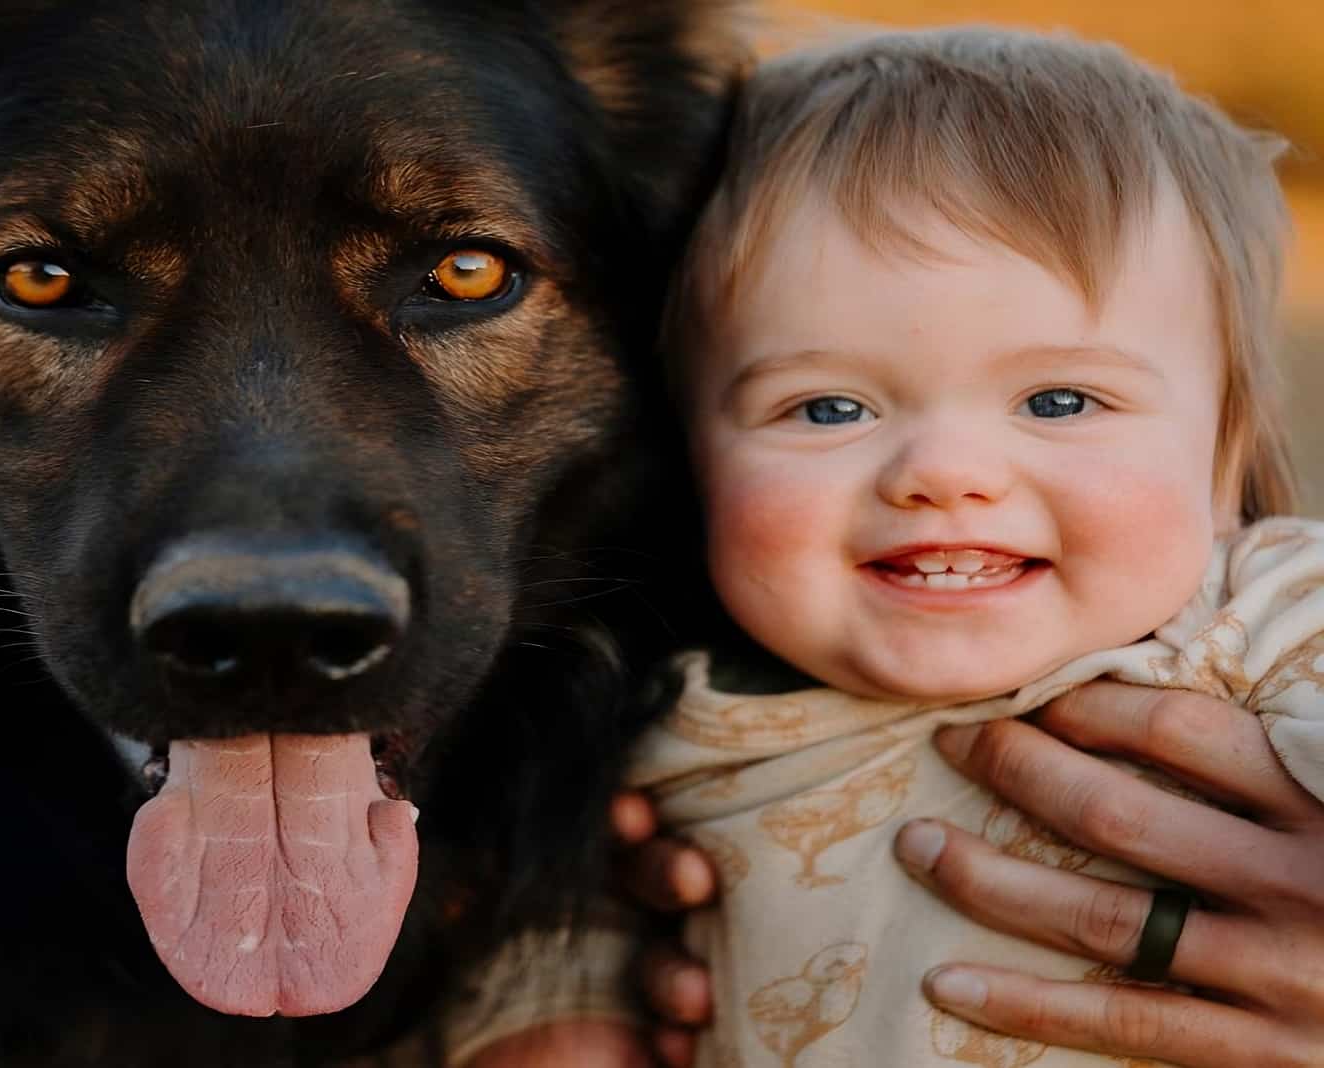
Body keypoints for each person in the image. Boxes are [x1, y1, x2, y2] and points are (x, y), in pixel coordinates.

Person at [456, 24, 1324, 1068]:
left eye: (1058, 399)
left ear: (1225, 456)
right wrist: (562, 1016)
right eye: (826, 409)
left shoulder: (1268, 626)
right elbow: (557, 928)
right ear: (688, 457)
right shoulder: (680, 713)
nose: (942, 471)